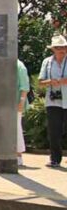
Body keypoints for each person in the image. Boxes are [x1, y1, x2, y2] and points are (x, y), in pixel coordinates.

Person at [0, 58, 30, 166]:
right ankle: (6, 155)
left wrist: (21, 102)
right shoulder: (0, 65)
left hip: (14, 103)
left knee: (16, 129)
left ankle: (18, 156)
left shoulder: (19, 66)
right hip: (1, 103)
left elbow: (24, 86)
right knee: (3, 129)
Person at [38, 35, 67, 168]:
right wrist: (51, 82)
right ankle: (55, 159)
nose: (62, 50)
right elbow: (40, 82)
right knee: (54, 131)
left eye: (64, 47)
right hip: (53, 101)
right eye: (59, 48)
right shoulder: (47, 62)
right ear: (53, 49)